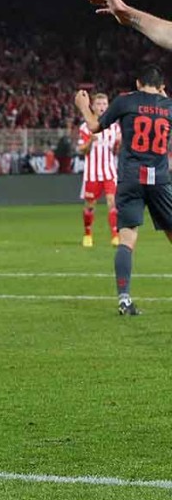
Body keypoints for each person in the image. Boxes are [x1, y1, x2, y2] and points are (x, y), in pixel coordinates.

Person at [76, 69, 172, 316]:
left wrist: (83, 106)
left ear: (138, 83)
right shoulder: (168, 106)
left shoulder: (125, 101)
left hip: (130, 178)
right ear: (161, 86)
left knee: (127, 239)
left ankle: (124, 300)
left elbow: (94, 125)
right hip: (159, 180)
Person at [76, 92, 120, 248]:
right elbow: (81, 150)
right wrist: (90, 141)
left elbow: (115, 151)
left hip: (109, 172)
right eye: (99, 104)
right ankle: (87, 234)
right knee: (90, 205)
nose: (102, 107)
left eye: (105, 104)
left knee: (112, 202)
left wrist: (118, 144)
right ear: (93, 107)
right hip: (92, 173)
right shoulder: (85, 127)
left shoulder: (114, 127)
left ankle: (115, 235)